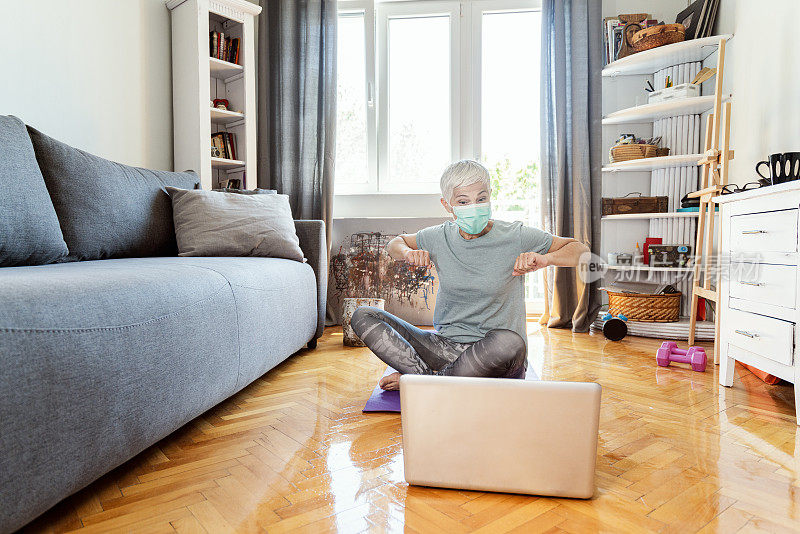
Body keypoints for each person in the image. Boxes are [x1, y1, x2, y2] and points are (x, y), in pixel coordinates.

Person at [350, 160, 589, 391]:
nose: (474, 207)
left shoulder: (515, 235)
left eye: (481, 199)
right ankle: (433, 380)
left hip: (497, 358)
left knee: (510, 342)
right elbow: (395, 244)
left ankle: (420, 382)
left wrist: (546, 259)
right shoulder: (438, 236)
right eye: (463, 201)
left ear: (490, 196)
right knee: (363, 314)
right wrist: (408, 253)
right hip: (445, 349)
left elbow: (580, 250)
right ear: (447, 204)